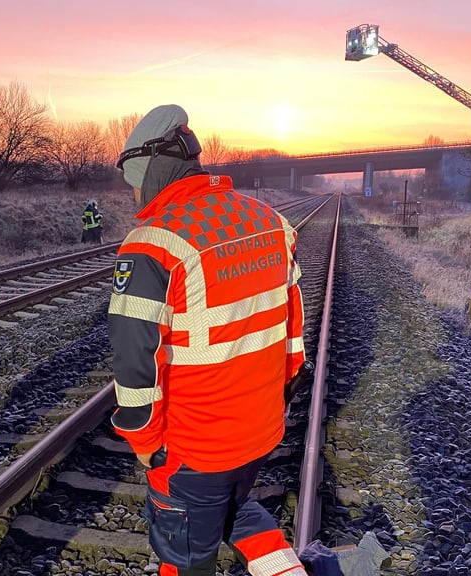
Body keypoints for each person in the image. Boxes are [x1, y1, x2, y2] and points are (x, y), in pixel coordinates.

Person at [107, 104, 308, 576]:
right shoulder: (270, 222)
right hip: (258, 430)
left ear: (152, 170)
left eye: (135, 180)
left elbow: (134, 358)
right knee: (233, 513)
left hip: (193, 445)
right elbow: (292, 331)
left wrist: (142, 438)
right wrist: (278, 397)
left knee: (186, 557)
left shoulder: (152, 244)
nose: (135, 193)